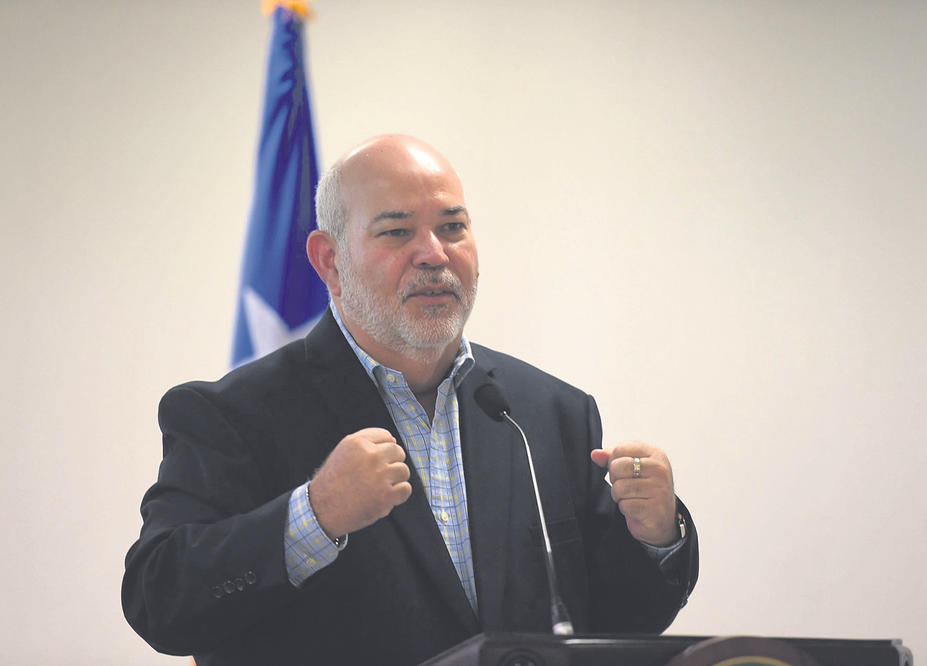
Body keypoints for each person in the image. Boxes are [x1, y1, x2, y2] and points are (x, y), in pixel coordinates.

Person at [122, 134, 699, 666]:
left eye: (453, 227)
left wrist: (655, 538)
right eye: (397, 231)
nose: (433, 254)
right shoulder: (234, 415)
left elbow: (603, 625)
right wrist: (313, 516)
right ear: (330, 261)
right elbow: (159, 600)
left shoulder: (547, 413)